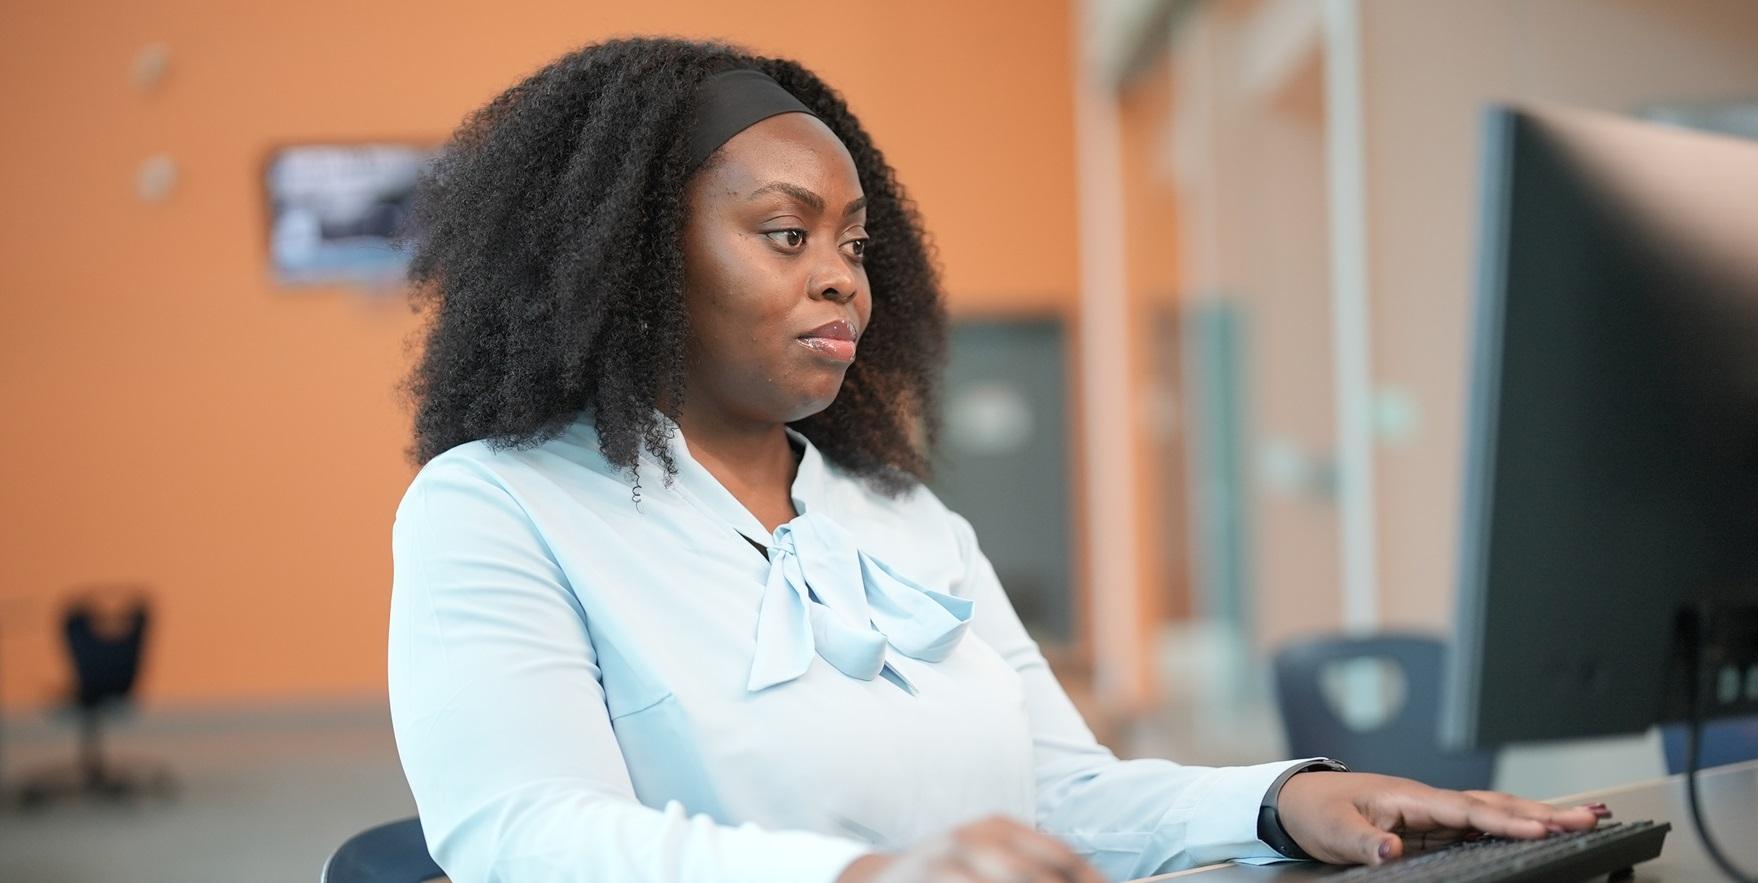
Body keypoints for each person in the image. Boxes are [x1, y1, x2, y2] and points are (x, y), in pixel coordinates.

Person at [388, 36, 1601, 883]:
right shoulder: (500, 507)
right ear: (630, 260)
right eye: (783, 233)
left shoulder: (900, 515)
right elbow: (528, 837)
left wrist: (1282, 801)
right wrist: (863, 875)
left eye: (856, 243)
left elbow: (1059, 795)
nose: (839, 274)